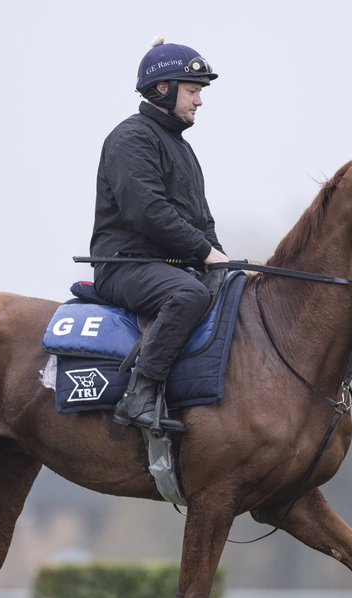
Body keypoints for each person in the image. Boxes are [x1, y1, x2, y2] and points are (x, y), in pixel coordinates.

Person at [89, 36, 229, 432]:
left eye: (200, 92)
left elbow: (202, 218)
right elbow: (148, 213)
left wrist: (222, 258)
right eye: (193, 90)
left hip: (168, 265)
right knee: (190, 294)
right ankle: (140, 395)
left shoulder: (179, 146)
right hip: (126, 267)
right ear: (162, 90)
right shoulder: (130, 138)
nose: (199, 101)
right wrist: (204, 252)